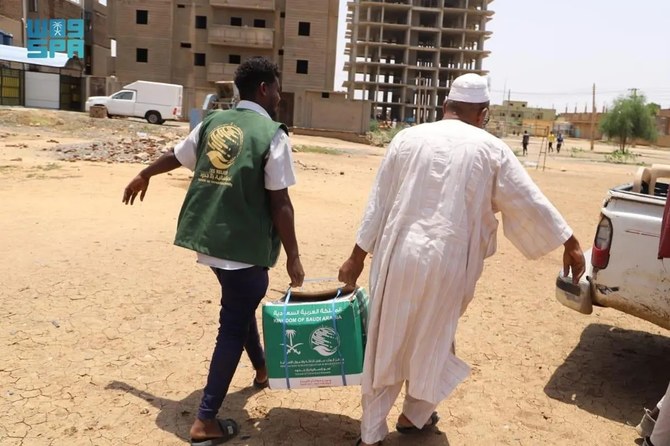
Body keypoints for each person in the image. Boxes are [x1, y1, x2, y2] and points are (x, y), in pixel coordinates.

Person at [338, 73, 585, 446]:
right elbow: (527, 199)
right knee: (436, 336)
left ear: (445, 106)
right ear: (483, 113)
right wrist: (569, 240)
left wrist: (356, 258)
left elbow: (378, 204)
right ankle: (414, 414)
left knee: (386, 342)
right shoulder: (491, 149)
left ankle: (377, 431)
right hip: (449, 263)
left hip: (397, 257)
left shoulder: (406, 139)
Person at [122, 57, 305, 445]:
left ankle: (262, 370)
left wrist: (145, 173)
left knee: (240, 308)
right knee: (234, 322)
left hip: (211, 241)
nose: (279, 95)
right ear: (264, 90)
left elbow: (178, 155)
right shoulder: (273, 133)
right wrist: (293, 256)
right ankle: (205, 420)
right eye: (277, 87)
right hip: (243, 247)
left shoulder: (213, 122)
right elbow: (280, 203)